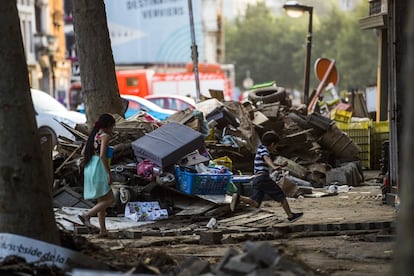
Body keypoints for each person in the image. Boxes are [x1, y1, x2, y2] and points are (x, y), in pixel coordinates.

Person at [231, 130, 303, 223]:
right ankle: (290, 215)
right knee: (281, 196)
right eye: (276, 146)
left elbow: (267, 161)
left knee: (256, 203)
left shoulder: (260, 148)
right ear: (273, 144)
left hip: (257, 179)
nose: (275, 148)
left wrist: (280, 166)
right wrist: (274, 167)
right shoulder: (265, 151)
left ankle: (239, 197)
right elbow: (267, 159)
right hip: (263, 178)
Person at [78, 113, 116, 237]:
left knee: (102, 200)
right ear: (109, 125)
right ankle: (87, 215)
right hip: (99, 168)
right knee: (110, 199)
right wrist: (108, 173)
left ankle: (103, 230)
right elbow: (102, 155)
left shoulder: (93, 135)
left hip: (90, 167)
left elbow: (83, 152)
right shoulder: (104, 136)